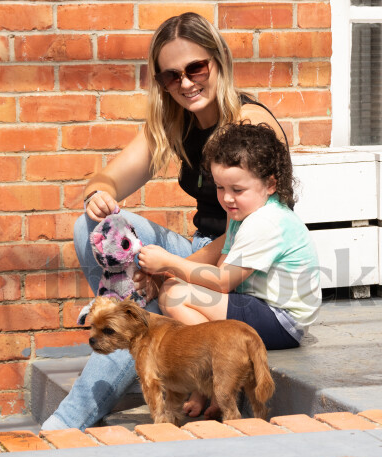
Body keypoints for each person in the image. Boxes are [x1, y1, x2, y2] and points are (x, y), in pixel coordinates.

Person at [41, 12, 288, 431]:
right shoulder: (175, 121)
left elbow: (246, 236)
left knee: (142, 313)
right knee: (94, 230)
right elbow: (108, 178)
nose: (186, 83)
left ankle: (68, 421)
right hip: (201, 247)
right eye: (171, 77)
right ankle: (142, 327)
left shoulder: (251, 124)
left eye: (196, 68)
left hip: (246, 267)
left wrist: (172, 269)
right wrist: (98, 195)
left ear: (219, 62)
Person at [137, 122, 321, 417]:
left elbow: (222, 282)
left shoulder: (266, 222)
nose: (227, 198)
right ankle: (204, 381)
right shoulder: (244, 211)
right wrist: (162, 274)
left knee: (173, 295)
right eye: (220, 188)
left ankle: (203, 380)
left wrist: (169, 264)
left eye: (237, 189)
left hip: (282, 321)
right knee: (174, 289)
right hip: (262, 307)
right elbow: (221, 260)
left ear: (271, 184)